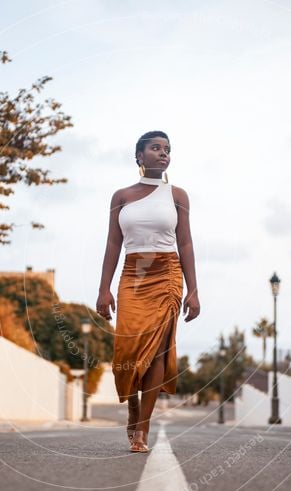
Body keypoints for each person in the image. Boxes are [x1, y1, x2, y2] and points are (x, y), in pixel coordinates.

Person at [96, 130, 200, 453]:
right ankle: (132, 404)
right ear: (140, 156)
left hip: (167, 273)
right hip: (133, 275)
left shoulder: (178, 196)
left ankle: (143, 428)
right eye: (156, 148)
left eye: (167, 149)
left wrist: (193, 290)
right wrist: (104, 289)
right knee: (126, 350)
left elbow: (185, 242)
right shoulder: (121, 197)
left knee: (157, 351)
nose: (163, 153)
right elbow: (113, 243)